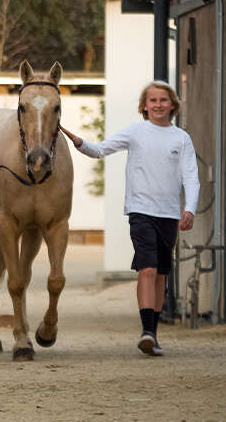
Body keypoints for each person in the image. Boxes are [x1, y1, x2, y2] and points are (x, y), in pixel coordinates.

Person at [60, 81, 198, 356]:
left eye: (163, 100)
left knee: (160, 274)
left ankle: (153, 335)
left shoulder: (181, 138)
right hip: (140, 211)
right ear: (144, 106)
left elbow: (191, 177)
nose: (158, 104)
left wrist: (189, 209)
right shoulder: (136, 132)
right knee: (146, 269)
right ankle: (146, 331)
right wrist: (77, 141)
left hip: (169, 214)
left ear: (172, 105)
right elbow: (100, 150)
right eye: (152, 100)